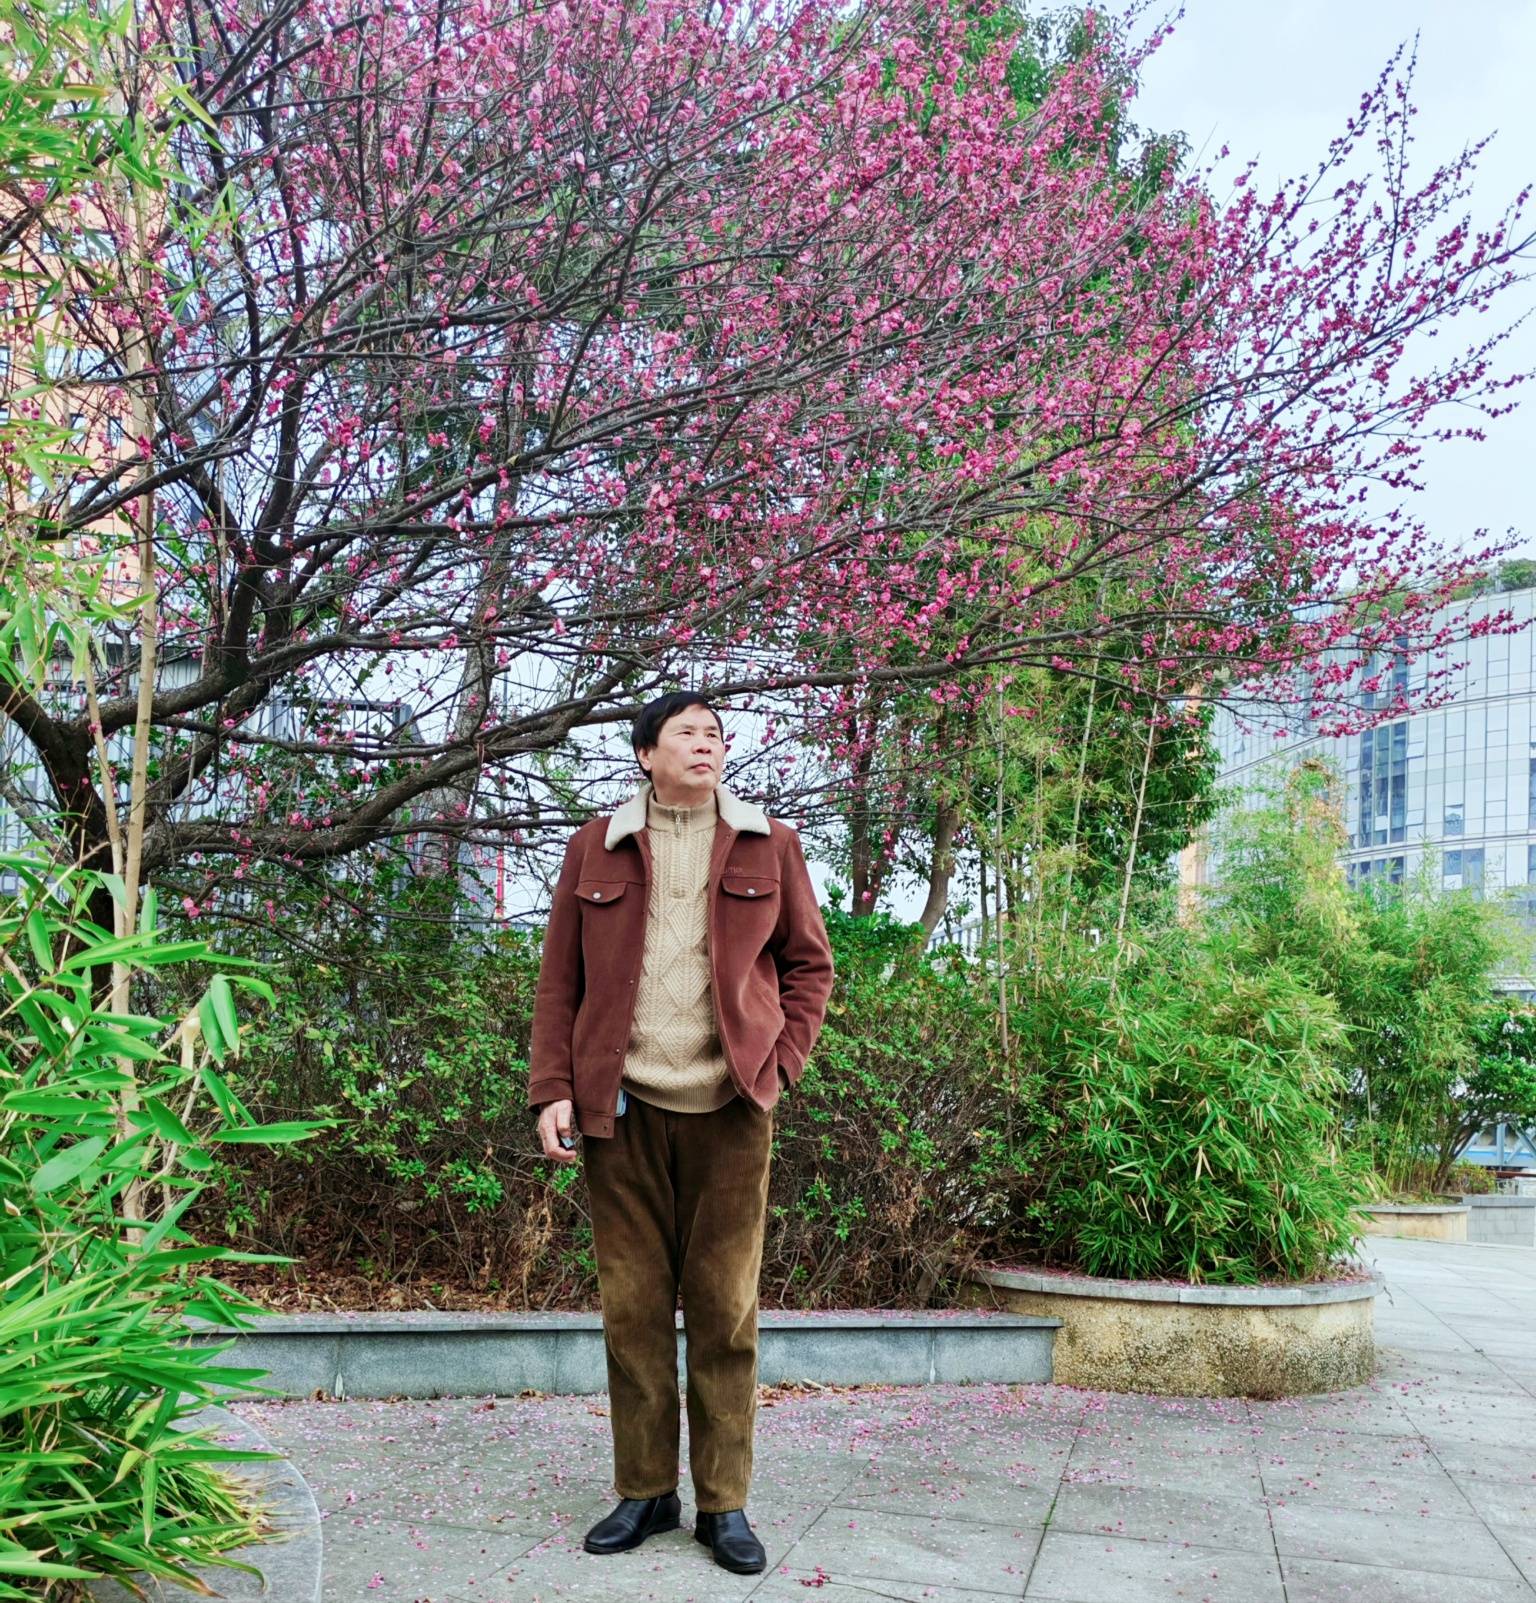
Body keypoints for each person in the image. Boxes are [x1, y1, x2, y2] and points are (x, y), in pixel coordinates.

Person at [526, 691, 835, 1574]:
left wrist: (779, 1066)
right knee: (632, 1313)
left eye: (716, 735)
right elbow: (560, 980)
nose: (707, 744)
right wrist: (553, 1090)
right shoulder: (597, 845)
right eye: (687, 733)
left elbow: (810, 965)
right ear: (644, 753)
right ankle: (646, 1490)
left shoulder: (770, 843)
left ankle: (723, 1504)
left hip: (731, 1113)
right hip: (620, 1110)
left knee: (725, 1311)